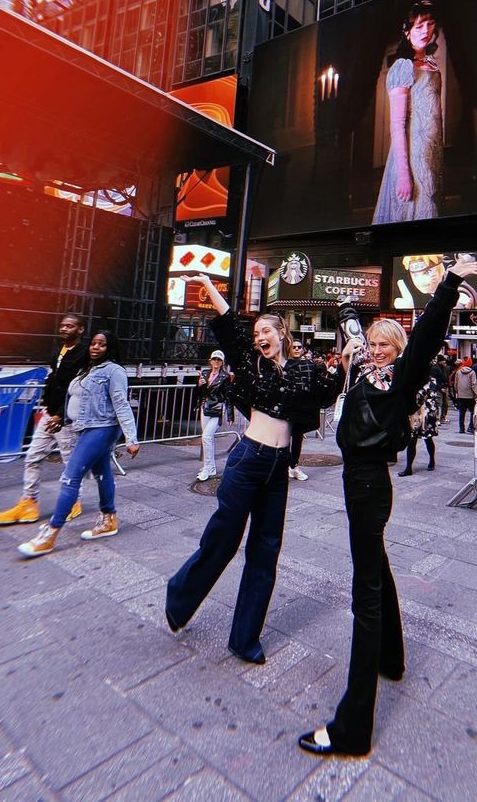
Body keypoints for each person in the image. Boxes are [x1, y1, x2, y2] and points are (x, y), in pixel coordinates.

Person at [298, 257, 477, 757]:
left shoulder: (400, 377)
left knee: (364, 595)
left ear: (400, 351)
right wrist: (342, 306)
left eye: (388, 344)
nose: (379, 349)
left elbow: (427, 333)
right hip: (355, 481)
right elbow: (353, 334)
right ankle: (394, 659)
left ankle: (352, 728)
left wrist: (450, 282)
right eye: (375, 343)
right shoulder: (364, 368)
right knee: (378, 568)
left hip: (369, 483)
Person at [165, 275, 338, 664]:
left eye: (266, 331)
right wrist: (208, 284)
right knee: (223, 540)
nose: (260, 336)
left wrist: (347, 360)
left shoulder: (302, 368)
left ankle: (245, 639)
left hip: (278, 468)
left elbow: (328, 392)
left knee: (266, 550)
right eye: (256, 331)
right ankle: (179, 599)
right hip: (248, 459)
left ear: (282, 334)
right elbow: (228, 320)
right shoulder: (248, 361)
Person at [18, 331, 140, 557]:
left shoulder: (114, 371)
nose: (95, 347)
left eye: (101, 345)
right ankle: (108, 518)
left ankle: (51, 532)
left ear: (110, 348)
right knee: (102, 473)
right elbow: (75, 399)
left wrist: (131, 438)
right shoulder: (87, 369)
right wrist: (62, 418)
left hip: (101, 428)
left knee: (70, 476)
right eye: (93, 343)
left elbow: (122, 404)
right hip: (84, 427)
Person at [0, 314, 89, 526]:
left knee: (70, 463)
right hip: (49, 413)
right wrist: (47, 407)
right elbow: (54, 381)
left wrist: (61, 415)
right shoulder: (60, 350)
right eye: (62, 325)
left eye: (69, 326)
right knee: (32, 457)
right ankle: (28, 503)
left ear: (80, 330)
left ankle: (73, 501)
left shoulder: (84, 354)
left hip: (66, 419)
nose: (64, 329)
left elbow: (79, 389)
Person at [373, 0, 443, 225]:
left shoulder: (431, 64)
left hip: (431, 151)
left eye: (429, 24)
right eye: (419, 26)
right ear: (407, 31)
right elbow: (397, 124)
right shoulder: (403, 66)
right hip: (413, 155)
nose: (425, 31)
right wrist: (404, 174)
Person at [196, 350, 232, 482]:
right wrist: (199, 385)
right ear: (210, 360)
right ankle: (210, 467)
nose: (216, 362)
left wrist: (229, 414)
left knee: (206, 437)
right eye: (214, 359)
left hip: (216, 410)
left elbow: (228, 397)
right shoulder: (205, 373)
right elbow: (199, 392)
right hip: (204, 408)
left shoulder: (225, 376)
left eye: (219, 360)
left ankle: (207, 468)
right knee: (207, 438)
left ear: (222, 362)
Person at [399, 376, 440, 475]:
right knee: (412, 440)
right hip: (414, 413)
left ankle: (431, 461)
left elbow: (433, 398)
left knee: (428, 438)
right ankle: (409, 468)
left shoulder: (431, 381)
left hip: (426, 413)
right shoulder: (411, 379)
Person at [288, 340, 309, 481]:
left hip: (300, 410)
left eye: (299, 347)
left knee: (297, 439)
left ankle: (294, 466)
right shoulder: (285, 365)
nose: (296, 349)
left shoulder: (308, 366)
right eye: (293, 347)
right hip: (286, 409)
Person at [454, 357, 477, 433]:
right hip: (470, 395)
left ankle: (461, 428)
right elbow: (474, 384)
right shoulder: (472, 372)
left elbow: (455, 384)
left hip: (461, 395)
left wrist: (458, 392)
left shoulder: (458, 372)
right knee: (472, 412)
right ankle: (470, 427)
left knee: (462, 412)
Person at [429, 354, 450, 422]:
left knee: (445, 404)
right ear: (440, 361)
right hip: (438, 388)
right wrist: (440, 388)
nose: (445, 362)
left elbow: (446, 377)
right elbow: (434, 379)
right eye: (443, 360)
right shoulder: (435, 368)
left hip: (444, 387)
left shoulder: (444, 368)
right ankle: (437, 418)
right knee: (438, 403)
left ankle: (443, 417)